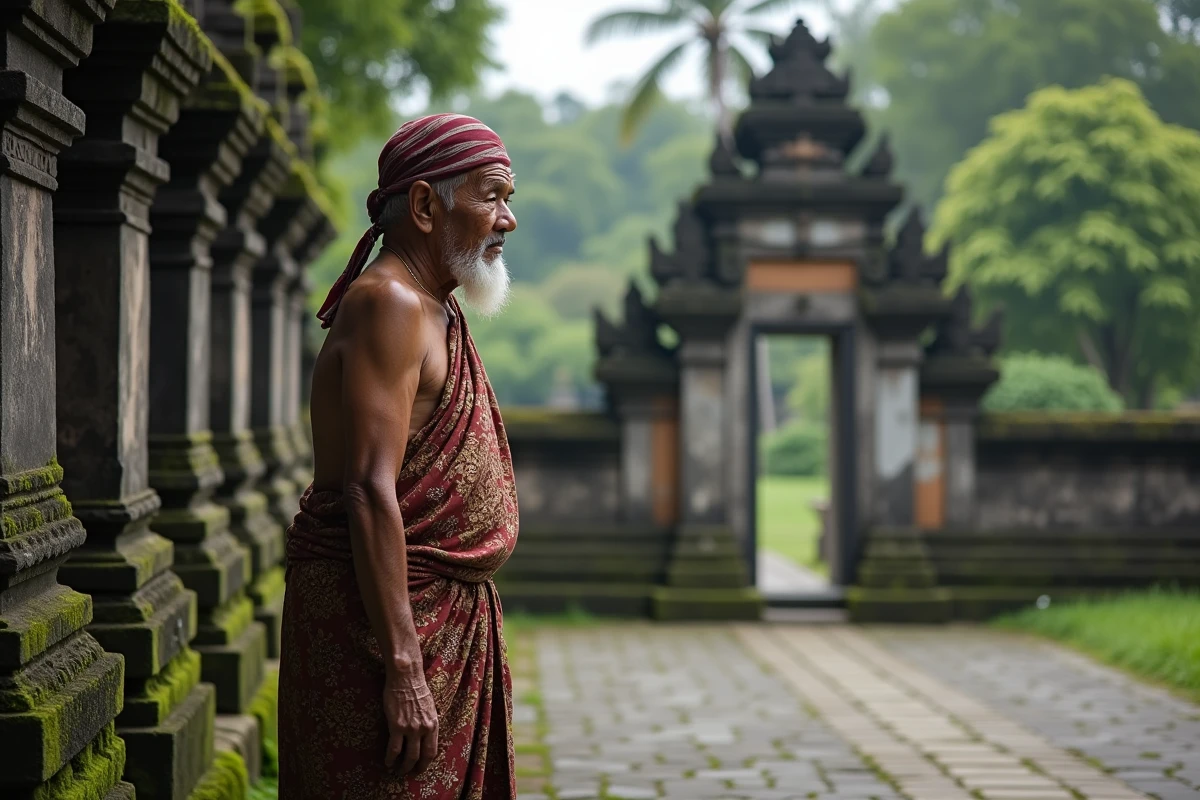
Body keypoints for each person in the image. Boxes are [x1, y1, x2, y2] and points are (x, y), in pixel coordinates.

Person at [278, 113, 520, 799]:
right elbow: (365, 487)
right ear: (422, 205)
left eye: (508, 200)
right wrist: (404, 664)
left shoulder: (434, 307)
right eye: (492, 196)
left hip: (437, 622)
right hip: (381, 631)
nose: (506, 220)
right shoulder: (390, 303)